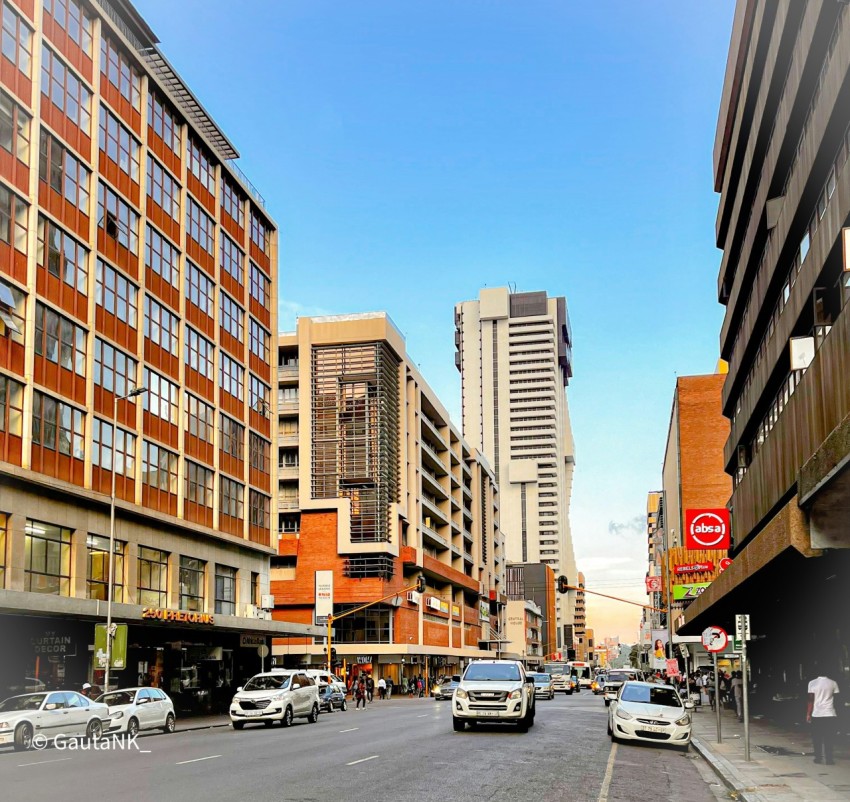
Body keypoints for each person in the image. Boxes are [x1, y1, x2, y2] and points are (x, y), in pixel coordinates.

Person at [807, 669, 840, 765]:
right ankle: (829, 759)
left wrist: (808, 713)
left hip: (817, 714)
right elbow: (838, 700)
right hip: (830, 714)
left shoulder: (812, 683)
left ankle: (818, 758)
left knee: (816, 737)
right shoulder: (833, 683)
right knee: (829, 737)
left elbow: (810, 700)